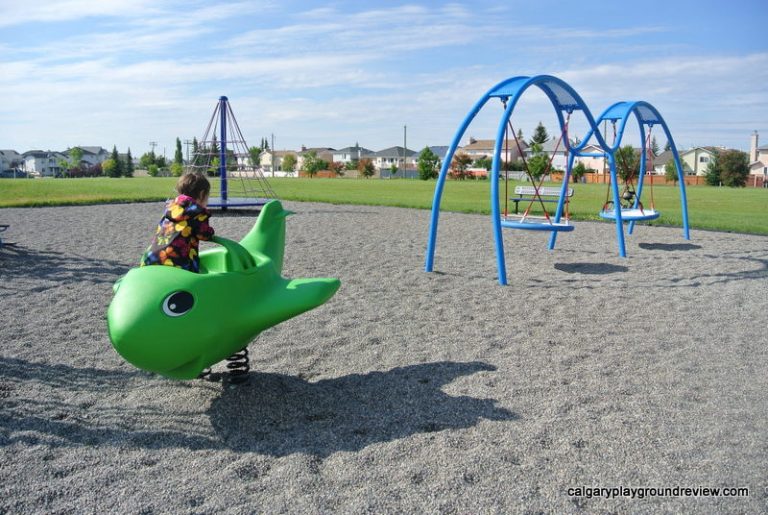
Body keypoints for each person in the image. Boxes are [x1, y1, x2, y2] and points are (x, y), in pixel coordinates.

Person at [141, 172, 214, 272]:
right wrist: (211, 232)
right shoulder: (198, 213)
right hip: (177, 263)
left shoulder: (171, 208)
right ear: (202, 194)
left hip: (152, 258)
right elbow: (204, 235)